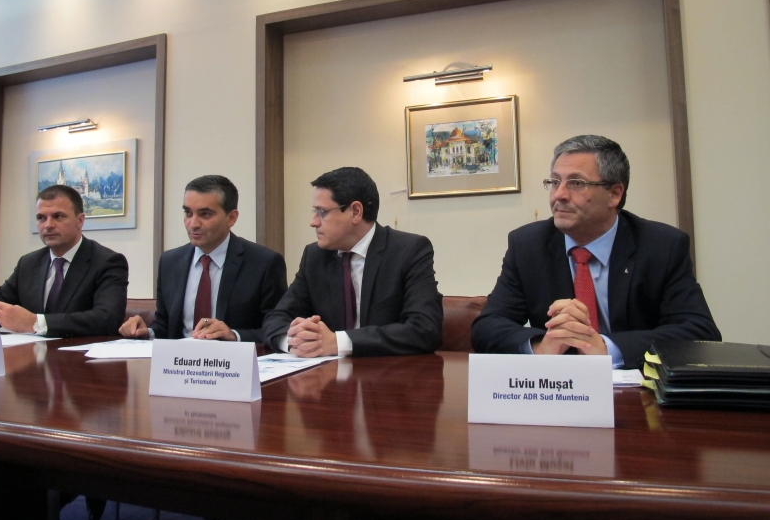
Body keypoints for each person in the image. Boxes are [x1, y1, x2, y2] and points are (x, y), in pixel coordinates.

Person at [471, 135, 720, 369]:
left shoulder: (661, 246)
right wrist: (540, 346)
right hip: (557, 389)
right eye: (555, 182)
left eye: (576, 183)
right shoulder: (528, 245)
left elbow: (699, 333)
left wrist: (606, 348)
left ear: (615, 194)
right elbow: (487, 327)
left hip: (636, 390)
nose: (559, 195)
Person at [264, 167, 443, 357]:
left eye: (322, 212)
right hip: (327, 372)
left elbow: (425, 329)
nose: (313, 222)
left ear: (356, 212)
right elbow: (276, 319)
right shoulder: (315, 256)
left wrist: (338, 342)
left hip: (388, 371)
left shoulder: (408, 250)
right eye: (314, 211)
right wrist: (294, 341)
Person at [119, 175, 286, 341]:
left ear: (231, 218)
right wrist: (146, 333)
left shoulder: (264, 263)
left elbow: (277, 328)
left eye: (205, 214)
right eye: (188, 213)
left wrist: (234, 335)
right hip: (179, 357)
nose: (193, 224)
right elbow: (165, 325)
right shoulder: (169, 262)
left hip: (232, 356)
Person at [0, 185, 128, 337]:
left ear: (80, 221)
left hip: (80, 354)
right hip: (30, 353)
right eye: (41, 218)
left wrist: (35, 323)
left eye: (58, 216)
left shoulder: (108, 262)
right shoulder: (28, 263)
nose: (48, 225)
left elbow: (107, 319)